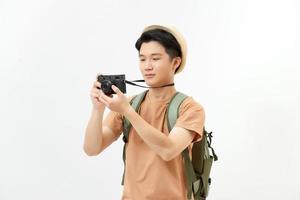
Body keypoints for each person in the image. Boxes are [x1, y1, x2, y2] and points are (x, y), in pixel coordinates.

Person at [83, 25, 205, 200]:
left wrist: (127, 111)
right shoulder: (130, 103)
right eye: (142, 59)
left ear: (175, 62)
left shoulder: (190, 108)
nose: (147, 66)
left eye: (155, 59)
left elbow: (168, 150)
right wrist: (97, 109)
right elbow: (92, 148)